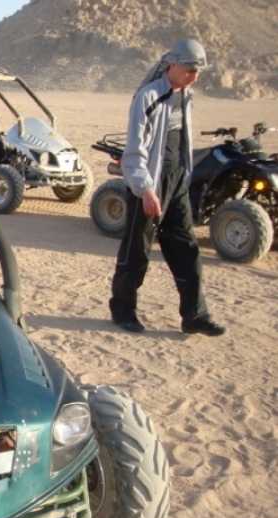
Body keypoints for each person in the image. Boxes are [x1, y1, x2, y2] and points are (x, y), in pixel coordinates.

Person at [110, 39, 225, 336]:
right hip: (149, 182)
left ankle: (195, 316)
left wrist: (185, 178)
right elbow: (134, 151)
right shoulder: (148, 96)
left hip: (177, 181)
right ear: (172, 65)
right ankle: (123, 311)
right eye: (189, 70)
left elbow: (180, 142)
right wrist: (146, 189)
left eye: (197, 72)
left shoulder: (186, 95)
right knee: (136, 251)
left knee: (187, 249)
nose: (194, 77)